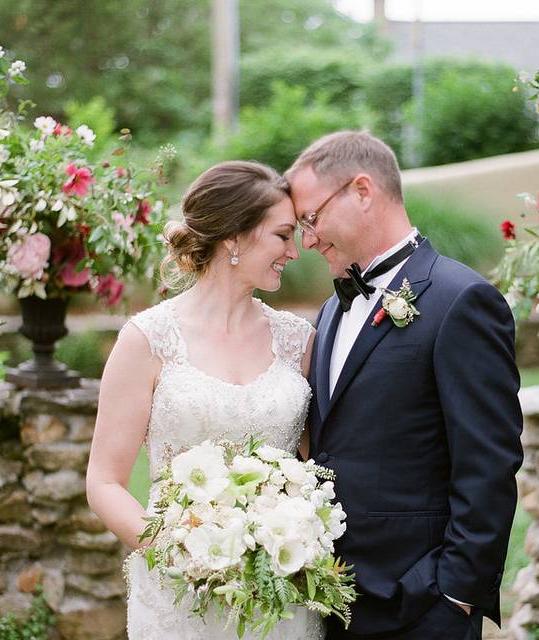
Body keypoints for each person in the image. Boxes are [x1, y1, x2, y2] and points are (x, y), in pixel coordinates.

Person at [286, 131, 523, 640]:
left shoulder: (462, 300)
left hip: (421, 606)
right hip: (332, 602)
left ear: (362, 191)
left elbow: (489, 463)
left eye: (312, 218)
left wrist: (454, 594)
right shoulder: (331, 311)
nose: (306, 239)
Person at [86, 160, 324, 640]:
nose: (294, 253)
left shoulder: (300, 342)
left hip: (278, 593)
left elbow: (321, 461)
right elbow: (105, 481)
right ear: (234, 238)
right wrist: (181, 553)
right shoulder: (147, 340)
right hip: (179, 598)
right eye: (282, 236)